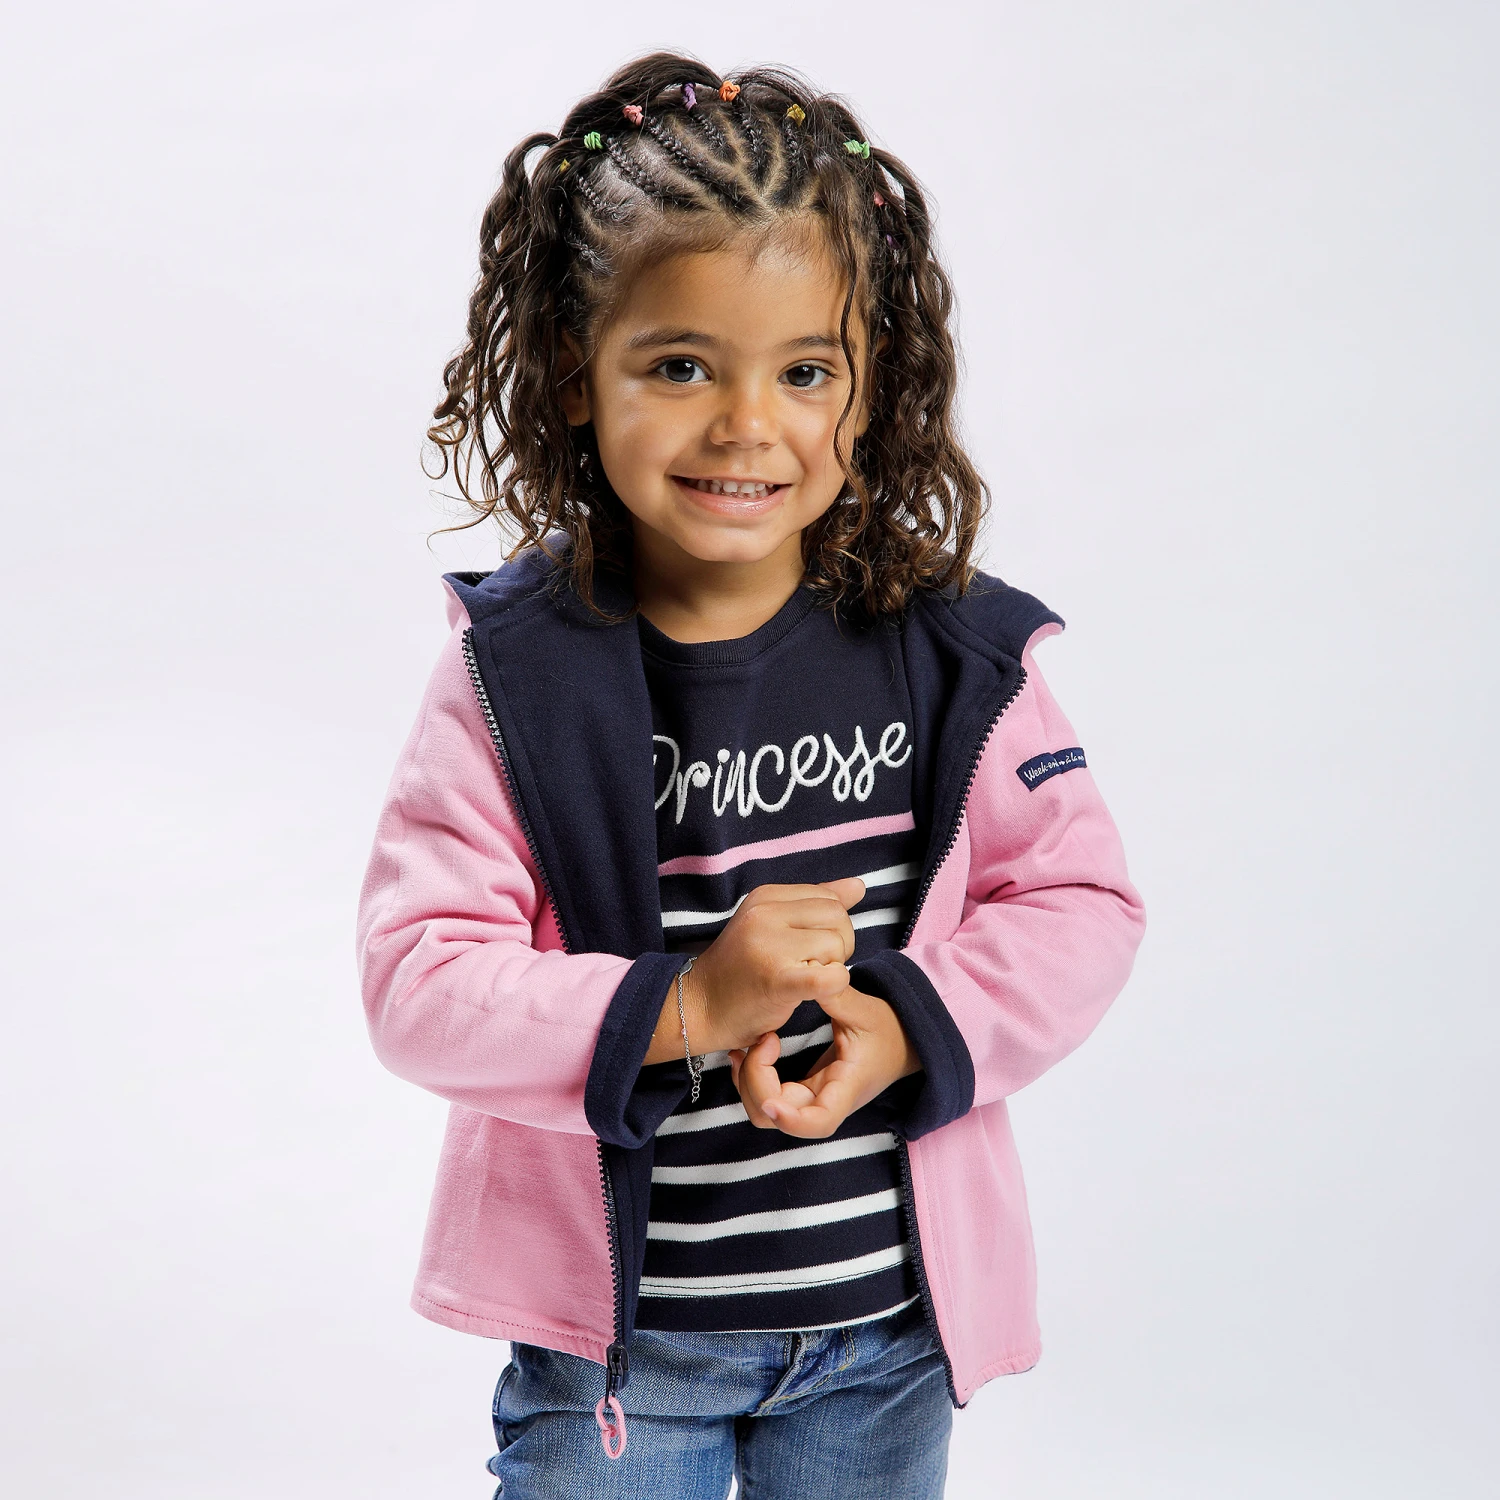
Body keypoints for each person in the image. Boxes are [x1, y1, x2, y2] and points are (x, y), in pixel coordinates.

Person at [356, 52, 1146, 1500]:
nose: (745, 423)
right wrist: (686, 1007)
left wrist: (908, 1027)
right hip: (617, 1365)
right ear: (574, 376)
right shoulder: (514, 676)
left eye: (804, 372)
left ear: (871, 384)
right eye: (680, 366)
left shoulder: (956, 652)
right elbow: (419, 978)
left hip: (886, 1342)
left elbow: (1078, 902)